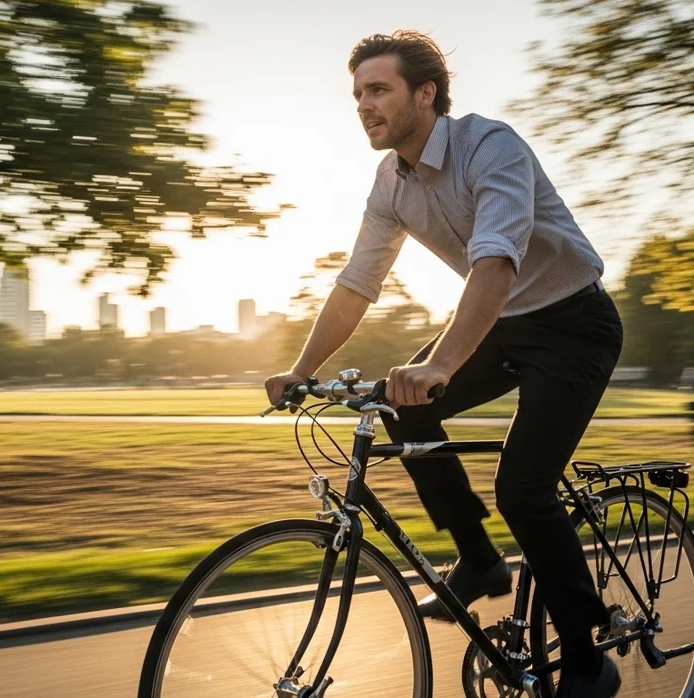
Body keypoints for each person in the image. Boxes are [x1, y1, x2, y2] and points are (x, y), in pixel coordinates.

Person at [264, 31, 624, 698]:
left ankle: (586, 661)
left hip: (573, 326)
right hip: (500, 324)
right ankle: (480, 559)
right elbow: (357, 283)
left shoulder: (490, 147)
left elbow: (496, 262)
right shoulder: (390, 181)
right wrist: (301, 367)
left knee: (524, 490)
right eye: (358, 93)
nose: (364, 105)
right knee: (397, 405)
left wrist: (442, 365)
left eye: (379, 90)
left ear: (425, 93)